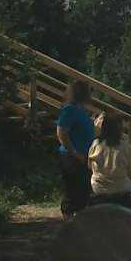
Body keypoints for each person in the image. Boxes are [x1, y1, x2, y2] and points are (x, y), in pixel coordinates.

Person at [55, 80, 95, 221]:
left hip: (84, 157)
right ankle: (69, 223)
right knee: (72, 191)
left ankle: (79, 223)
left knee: (83, 191)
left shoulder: (82, 110)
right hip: (72, 157)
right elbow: (61, 133)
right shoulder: (69, 109)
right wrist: (75, 153)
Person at [89, 112, 131, 197]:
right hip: (122, 188)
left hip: (98, 188)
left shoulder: (96, 144)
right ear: (119, 130)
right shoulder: (127, 147)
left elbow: (89, 166)